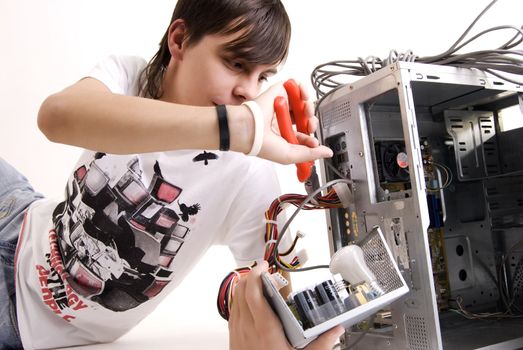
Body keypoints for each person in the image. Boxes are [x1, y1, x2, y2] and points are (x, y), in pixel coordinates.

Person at [0, 0, 343, 349]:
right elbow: (54, 117)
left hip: (19, 316)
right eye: (235, 63)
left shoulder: (247, 173)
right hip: (16, 212)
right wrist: (234, 126)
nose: (250, 92)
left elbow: (271, 306)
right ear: (179, 39)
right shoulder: (128, 77)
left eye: (263, 77)